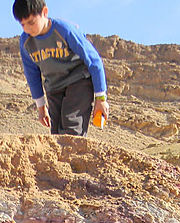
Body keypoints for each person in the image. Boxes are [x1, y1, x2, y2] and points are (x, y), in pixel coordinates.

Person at [13, 0, 109, 136]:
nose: (28, 29)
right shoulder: (26, 42)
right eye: (23, 25)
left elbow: (94, 60)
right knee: (56, 134)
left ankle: (75, 156)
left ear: (44, 12)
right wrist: (41, 107)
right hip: (54, 87)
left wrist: (101, 99)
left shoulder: (64, 30)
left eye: (31, 22)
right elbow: (32, 75)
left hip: (78, 81)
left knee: (71, 129)